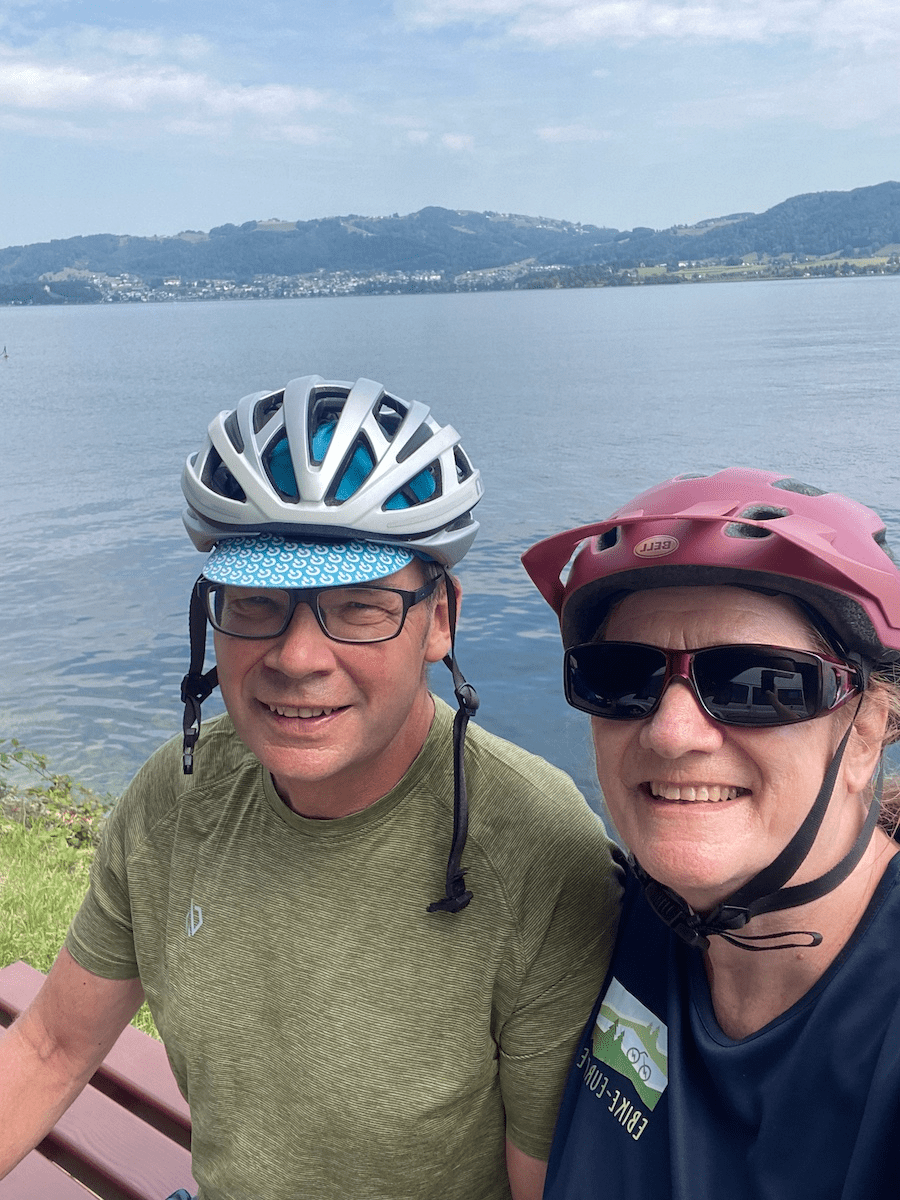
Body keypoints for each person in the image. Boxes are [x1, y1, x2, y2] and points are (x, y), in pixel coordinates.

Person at [0, 375, 621, 1200]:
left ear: (441, 619)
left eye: (359, 607)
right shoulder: (177, 798)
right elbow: (50, 1047)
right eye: (257, 602)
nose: (296, 658)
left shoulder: (538, 853)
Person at [522, 467, 900, 1200]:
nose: (671, 733)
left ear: (867, 733)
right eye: (620, 676)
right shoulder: (609, 919)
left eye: (756, 681)